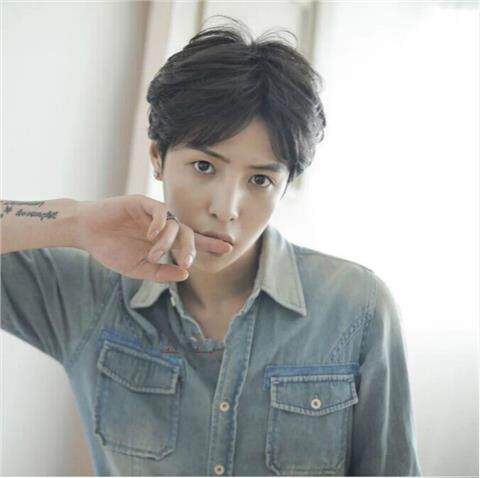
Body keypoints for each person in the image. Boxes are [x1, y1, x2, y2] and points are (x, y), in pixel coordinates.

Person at [0, 16, 422, 476]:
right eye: (204, 166)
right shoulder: (88, 290)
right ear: (157, 157)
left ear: (286, 185)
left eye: (259, 180)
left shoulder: (357, 308)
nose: (226, 208)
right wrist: (76, 222)